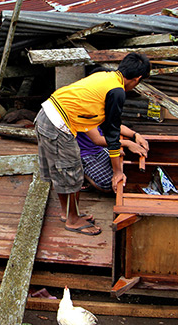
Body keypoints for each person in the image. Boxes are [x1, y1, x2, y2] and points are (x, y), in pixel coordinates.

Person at [34, 52, 151, 236]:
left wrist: (133, 135)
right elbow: (111, 134)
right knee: (72, 172)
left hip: (48, 115)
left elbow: (109, 125)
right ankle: (73, 220)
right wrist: (118, 172)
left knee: (62, 170)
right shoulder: (117, 91)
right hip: (57, 124)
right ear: (137, 79)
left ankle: (69, 214)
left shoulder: (105, 76)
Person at [77, 125, 149, 193]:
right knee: (109, 185)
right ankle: (82, 172)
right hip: (84, 154)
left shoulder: (99, 112)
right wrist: (127, 143)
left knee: (122, 165)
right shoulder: (82, 113)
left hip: (101, 148)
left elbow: (114, 125)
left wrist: (136, 135)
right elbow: (98, 140)